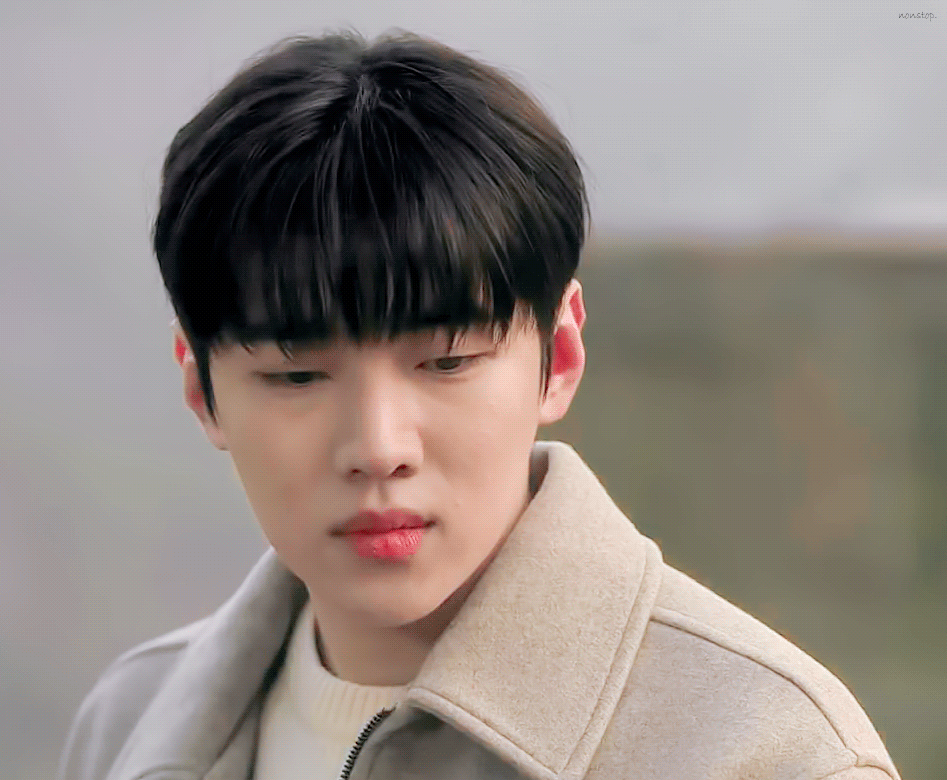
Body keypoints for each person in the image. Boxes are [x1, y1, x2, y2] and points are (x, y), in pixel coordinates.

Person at [58, 30, 901, 780]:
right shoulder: (130, 724)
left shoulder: (766, 753)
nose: (378, 446)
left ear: (558, 356)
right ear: (201, 389)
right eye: (298, 376)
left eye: (447, 362)